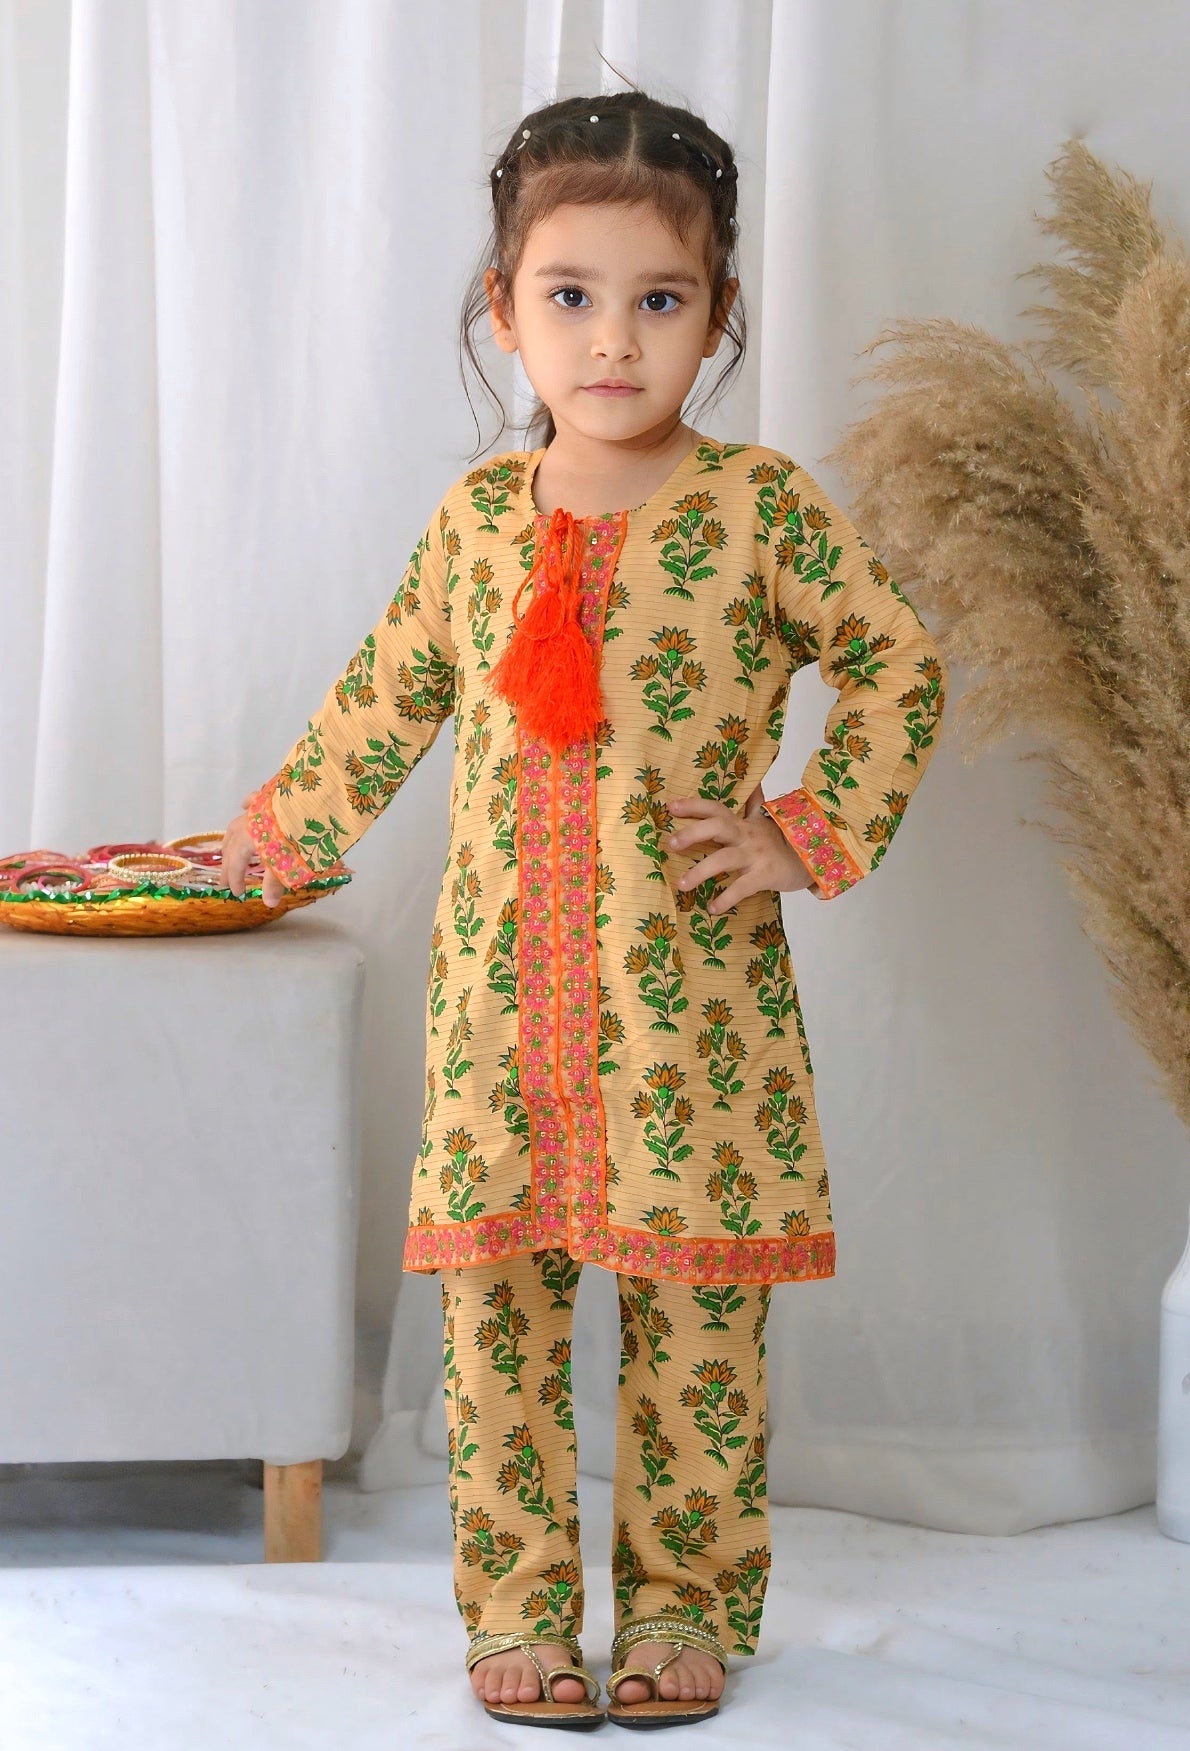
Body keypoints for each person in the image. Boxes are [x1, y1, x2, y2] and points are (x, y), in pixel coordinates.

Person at [221, 88, 948, 1731]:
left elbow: (896, 663)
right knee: (495, 1329)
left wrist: (805, 829)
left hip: (693, 1016)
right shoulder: (478, 526)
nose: (613, 339)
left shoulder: (759, 510)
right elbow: (379, 707)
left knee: (699, 1332)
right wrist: (254, 853)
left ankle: (684, 1608)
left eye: (658, 299)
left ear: (717, 315)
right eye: (570, 295)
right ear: (505, 311)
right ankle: (519, 1615)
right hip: (501, 1016)